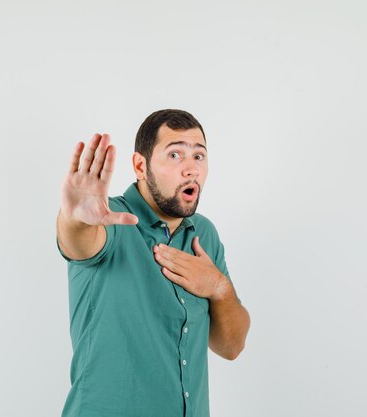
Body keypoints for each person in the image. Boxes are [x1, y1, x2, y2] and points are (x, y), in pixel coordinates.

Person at [56, 109, 250, 417]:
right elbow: (77, 242)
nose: (191, 170)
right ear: (140, 166)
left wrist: (219, 288)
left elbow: (231, 347)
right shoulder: (110, 219)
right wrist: (74, 219)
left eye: (199, 157)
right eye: (175, 155)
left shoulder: (205, 235)